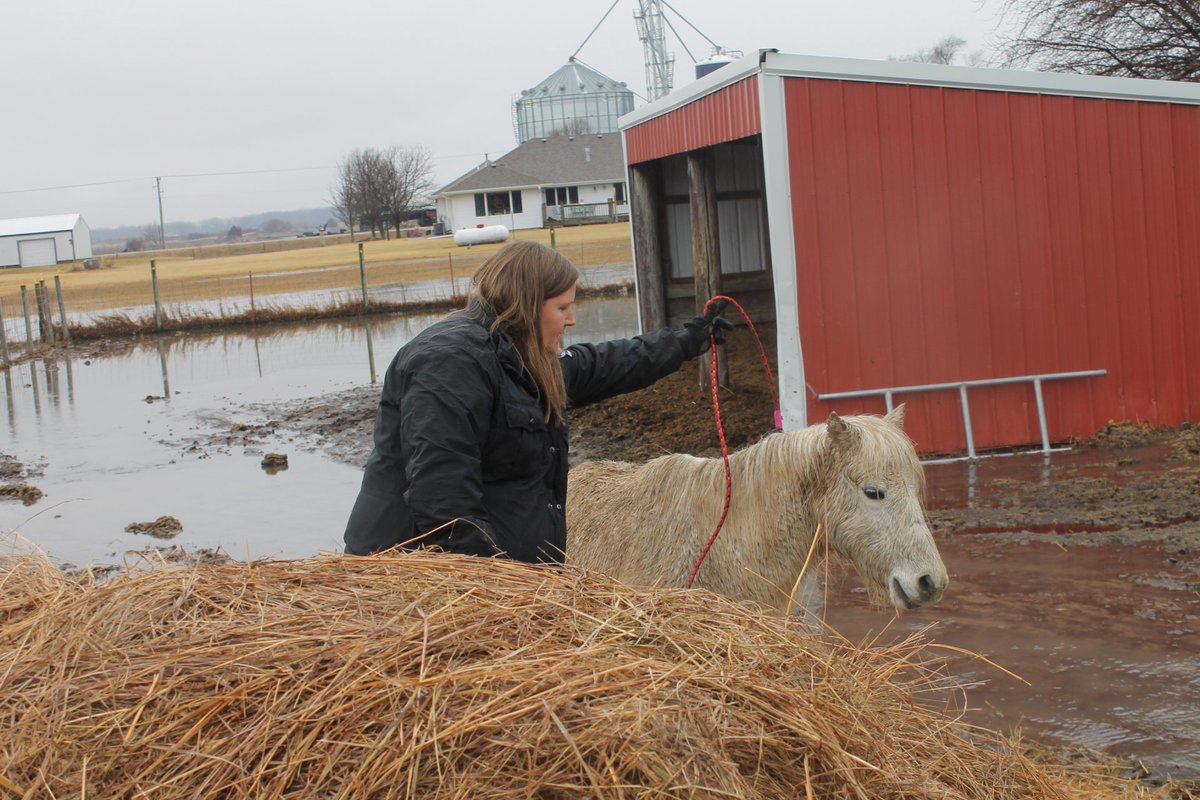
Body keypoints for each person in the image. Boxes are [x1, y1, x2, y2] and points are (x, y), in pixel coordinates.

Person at [344, 239, 731, 563]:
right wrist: (502, 587)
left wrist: (686, 341)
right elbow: (443, 500)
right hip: (422, 580)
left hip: (507, 580)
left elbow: (602, 365)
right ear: (527, 304)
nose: (572, 319)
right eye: (562, 307)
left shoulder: (520, 356)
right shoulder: (450, 363)